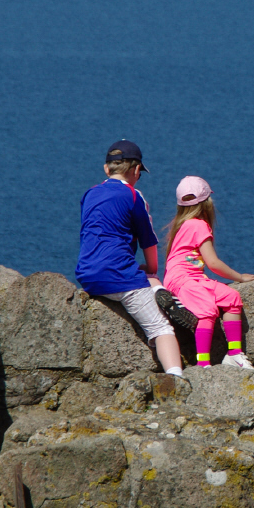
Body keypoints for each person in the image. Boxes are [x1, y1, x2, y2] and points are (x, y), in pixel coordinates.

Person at [75, 140, 184, 376]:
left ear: (107, 169)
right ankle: (176, 378)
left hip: (88, 276)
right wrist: (153, 269)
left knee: (146, 279)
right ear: (136, 170)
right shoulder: (134, 196)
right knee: (161, 327)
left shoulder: (89, 194)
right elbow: (148, 240)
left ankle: (155, 288)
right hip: (119, 276)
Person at [163, 176, 254, 370]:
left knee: (231, 297)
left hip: (188, 278)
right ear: (207, 202)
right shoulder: (198, 225)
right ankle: (203, 363)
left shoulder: (181, 224)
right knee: (207, 310)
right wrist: (240, 277)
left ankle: (234, 354)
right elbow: (213, 262)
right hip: (183, 279)